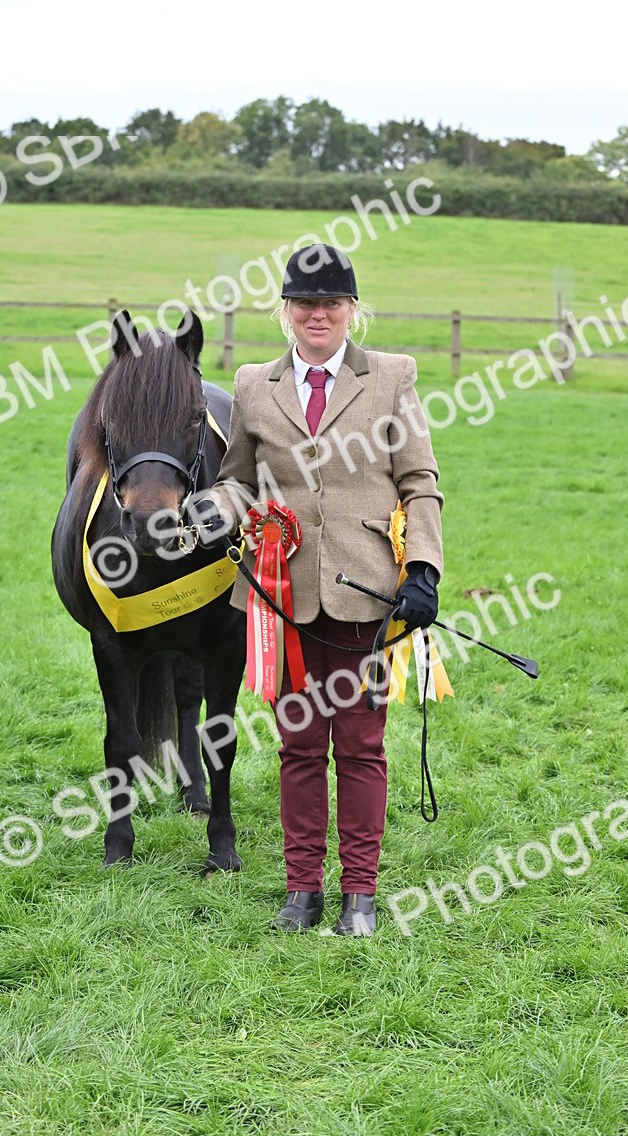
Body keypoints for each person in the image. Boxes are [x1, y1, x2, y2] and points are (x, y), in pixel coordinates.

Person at [202, 243, 443, 936]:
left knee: (362, 746)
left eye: (331, 303)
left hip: (370, 593)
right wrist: (215, 511)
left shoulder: (392, 376)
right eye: (305, 303)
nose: (318, 314)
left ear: (351, 310)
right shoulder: (254, 385)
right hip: (284, 598)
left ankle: (359, 894)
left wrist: (423, 569)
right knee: (300, 747)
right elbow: (238, 480)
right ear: (285, 310)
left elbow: (419, 482)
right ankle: (302, 889)